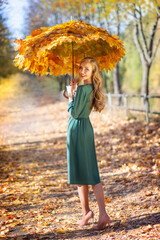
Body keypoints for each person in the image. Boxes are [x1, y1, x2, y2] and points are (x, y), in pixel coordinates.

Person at [66, 57, 110, 230]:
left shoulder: (84, 88)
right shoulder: (88, 88)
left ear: (93, 73)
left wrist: (70, 96)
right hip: (83, 129)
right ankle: (87, 213)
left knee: (89, 174)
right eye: (81, 68)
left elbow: (75, 114)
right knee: (83, 173)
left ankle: (103, 214)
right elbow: (79, 109)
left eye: (87, 69)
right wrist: (73, 93)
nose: (82, 71)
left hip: (78, 129)